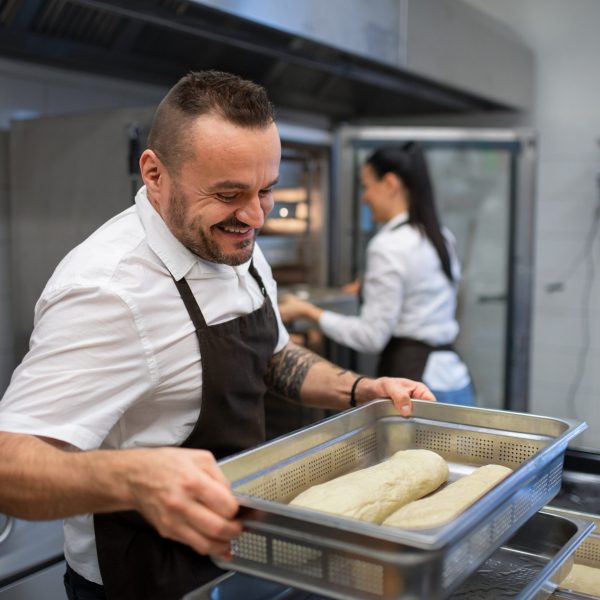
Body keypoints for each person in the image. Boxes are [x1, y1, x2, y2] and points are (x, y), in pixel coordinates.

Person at [0, 72, 435, 600]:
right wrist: (134, 479)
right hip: (145, 579)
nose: (255, 216)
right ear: (155, 174)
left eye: (266, 191)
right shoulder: (109, 291)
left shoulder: (233, 242)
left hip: (238, 557)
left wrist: (357, 388)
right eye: (229, 194)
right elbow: (9, 462)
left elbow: (273, 355)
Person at [279, 142, 475, 406]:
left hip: (418, 386)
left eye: (367, 186)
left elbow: (370, 337)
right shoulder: (440, 235)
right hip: (454, 381)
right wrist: (371, 286)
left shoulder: (388, 246)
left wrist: (308, 311)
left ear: (390, 183)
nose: (364, 197)